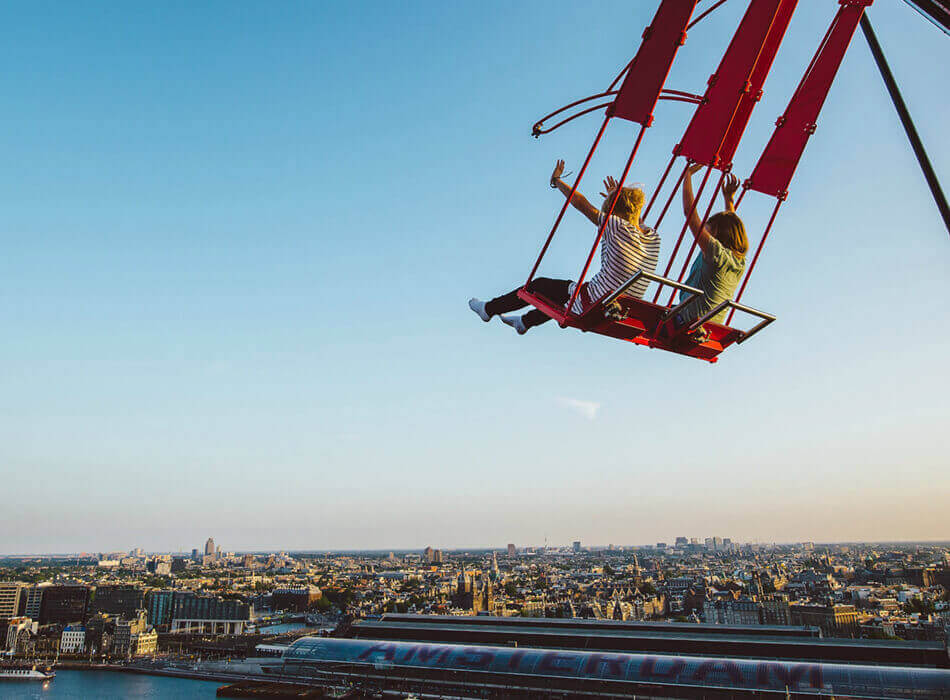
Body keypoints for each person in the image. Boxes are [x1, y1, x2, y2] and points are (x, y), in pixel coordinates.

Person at [468, 159, 660, 334]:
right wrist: (616, 198)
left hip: (596, 305)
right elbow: (635, 217)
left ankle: (488, 309)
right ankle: (524, 322)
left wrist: (557, 180)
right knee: (565, 293)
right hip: (626, 311)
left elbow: (581, 203)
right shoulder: (653, 237)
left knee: (538, 286)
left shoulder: (616, 226)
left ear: (613, 212)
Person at [675, 164, 748, 336]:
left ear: (715, 233)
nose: (704, 229)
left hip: (688, 321)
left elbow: (689, 213)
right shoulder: (739, 262)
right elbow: (731, 226)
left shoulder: (715, 252)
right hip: (711, 328)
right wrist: (729, 200)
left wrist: (687, 175)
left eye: (707, 227)